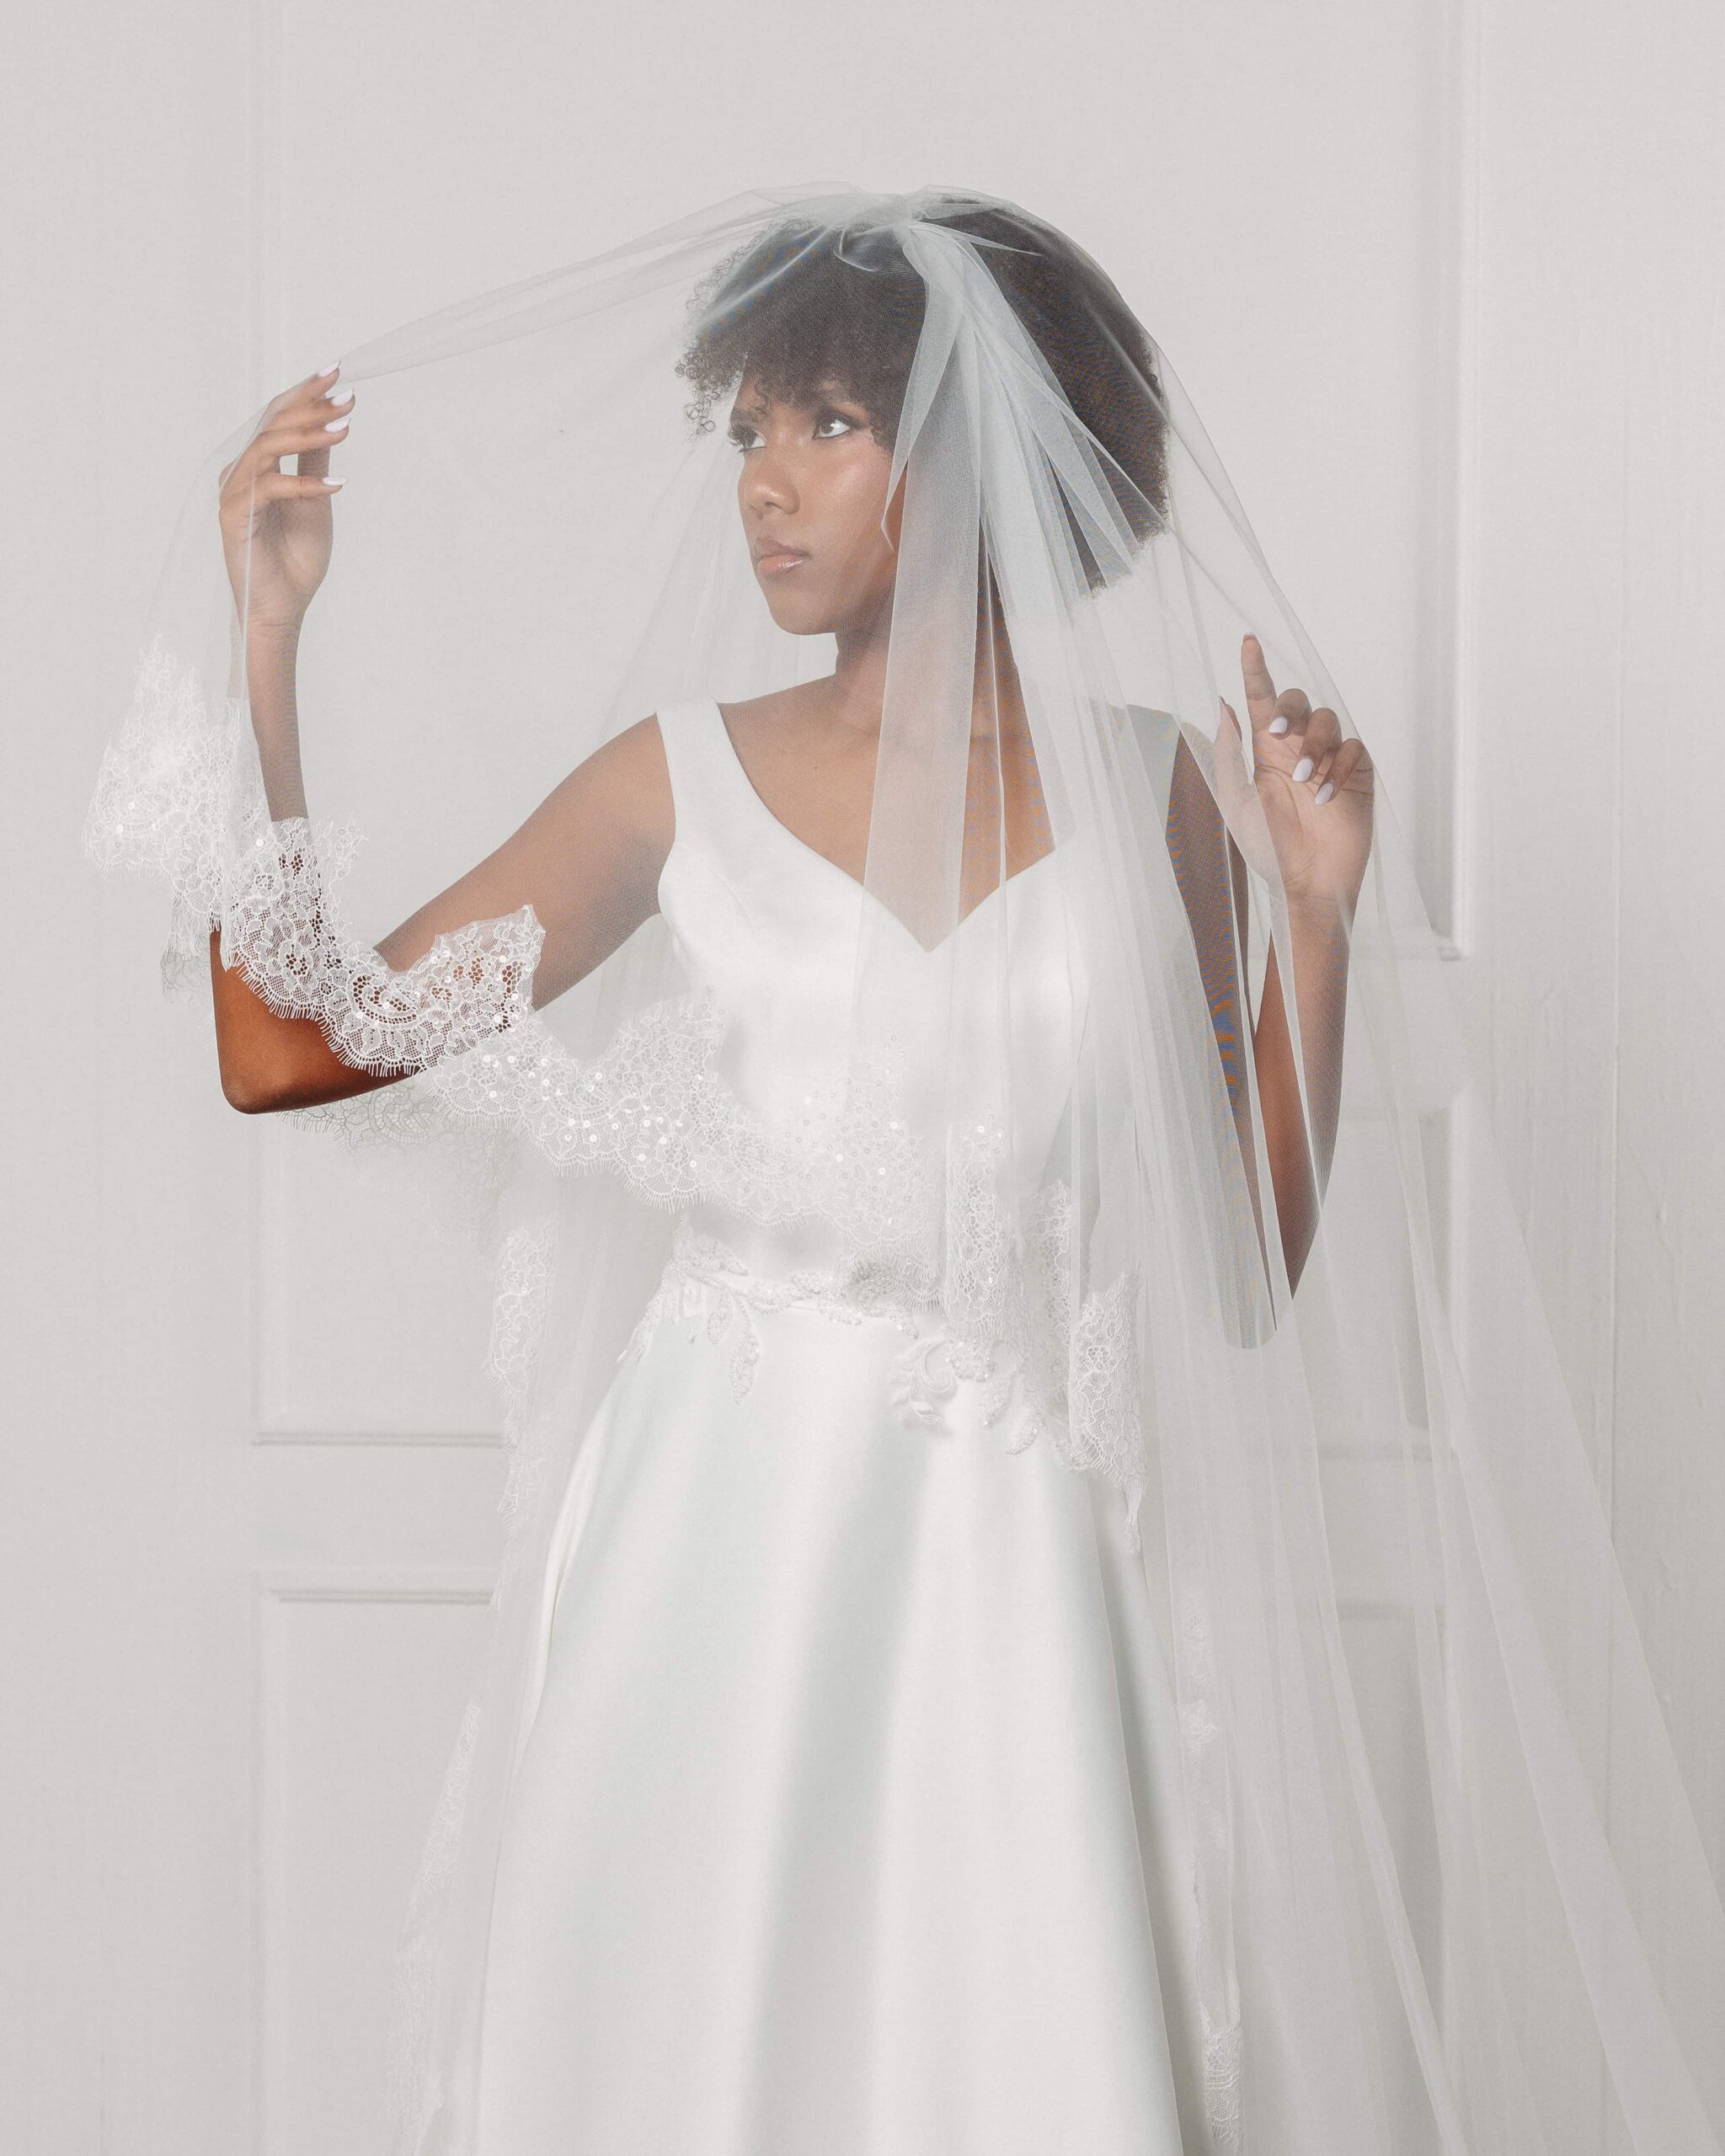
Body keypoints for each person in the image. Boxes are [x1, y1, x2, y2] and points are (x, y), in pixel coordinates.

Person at [84, 187, 1725, 2156]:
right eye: (747, 429)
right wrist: (269, 634)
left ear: (983, 452)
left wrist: (1311, 919)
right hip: (719, 1539)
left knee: (1016, 2049)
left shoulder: (1164, 794)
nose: (764, 485)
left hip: (1013, 1560)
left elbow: (1232, 1280)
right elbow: (292, 1048)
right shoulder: (670, 777)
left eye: (829, 425)